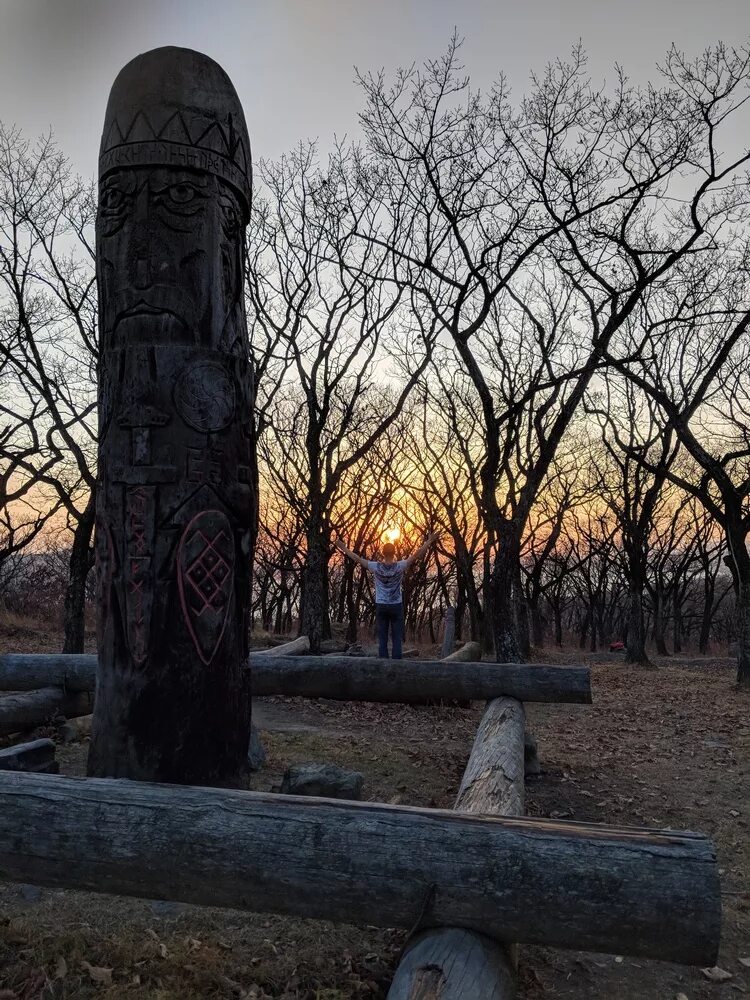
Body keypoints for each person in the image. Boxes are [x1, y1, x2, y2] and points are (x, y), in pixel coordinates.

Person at [334, 532, 440, 659]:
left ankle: (383, 666)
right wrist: (429, 541)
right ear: (394, 553)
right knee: (397, 639)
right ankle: (397, 667)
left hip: (382, 605)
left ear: (383, 553)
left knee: (382, 639)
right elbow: (416, 555)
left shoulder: (376, 567)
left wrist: (343, 548)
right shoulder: (400, 566)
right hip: (396, 606)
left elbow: (357, 558)